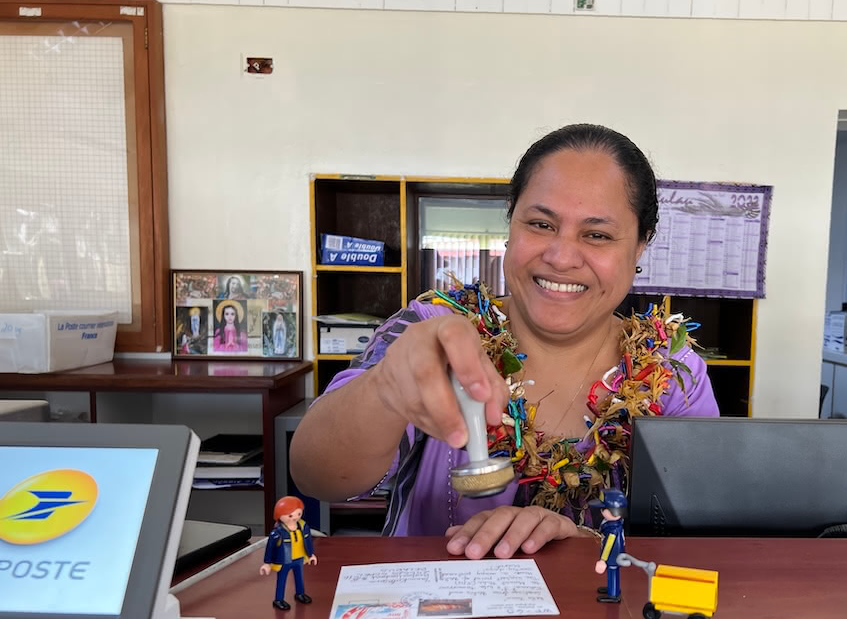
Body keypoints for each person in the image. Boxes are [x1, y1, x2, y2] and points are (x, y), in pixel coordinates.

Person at [290, 124, 719, 560]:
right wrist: (385, 388)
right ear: (511, 223)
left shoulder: (669, 373)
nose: (561, 257)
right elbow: (317, 477)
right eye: (540, 223)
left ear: (641, 247)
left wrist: (584, 539)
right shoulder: (430, 328)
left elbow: (697, 540)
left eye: (597, 235)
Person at [259, 496, 317, 610]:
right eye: (290, 515)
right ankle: (279, 599)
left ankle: (300, 594)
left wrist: (310, 555)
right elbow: (270, 548)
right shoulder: (278, 533)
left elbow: (308, 541)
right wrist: (267, 563)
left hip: (299, 558)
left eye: (298, 514)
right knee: (282, 580)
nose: (295, 517)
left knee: (300, 578)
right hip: (284, 560)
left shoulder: (303, 527)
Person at [593, 490, 626, 604]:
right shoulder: (614, 524)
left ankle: (613, 594)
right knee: (612, 571)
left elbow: (609, 545)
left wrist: (603, 560)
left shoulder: (613, 529)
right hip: (615, 554)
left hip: (613, 555)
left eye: (604, 509)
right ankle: (612, 589)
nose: (601, 511)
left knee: (612, 570)